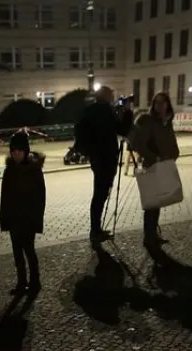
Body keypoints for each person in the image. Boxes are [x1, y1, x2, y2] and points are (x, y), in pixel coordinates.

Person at [75, 86, 132, 243]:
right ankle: (95, 230)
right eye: (111, 96)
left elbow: (79, 131)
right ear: (107, 97)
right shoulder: (106, 111)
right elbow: (123, 130)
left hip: (97, 159)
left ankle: (96, 229)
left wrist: (88, 152)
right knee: (101, 194)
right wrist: (127, 112)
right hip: (106, 159)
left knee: (99, 194)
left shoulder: (90, 110)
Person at [128, 91, 180, 248]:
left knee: (159, 202)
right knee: (152, 203)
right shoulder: (147, 120)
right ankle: (149, 237)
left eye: (162, 102)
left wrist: (175, 153)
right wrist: (152, 157)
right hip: (152, 165)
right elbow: (137, 143)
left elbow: (170, 139)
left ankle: (153, 234)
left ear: (167, 104)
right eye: (156, 103)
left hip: (166, 164)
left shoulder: (167, 120)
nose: (160, 106)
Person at [0, 132, 46, 296]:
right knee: (17, 253)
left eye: (19, 150)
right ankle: (21, 282)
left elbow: (40, 199)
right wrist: (5, 220)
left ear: (26, 151)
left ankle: (35, 281)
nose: (16, 153)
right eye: (13, 150)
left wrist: (36, 221)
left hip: (28, 219)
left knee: (29, 251)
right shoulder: (9, 170)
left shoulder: (34, 170)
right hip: (14, 220)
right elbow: (4, 198)